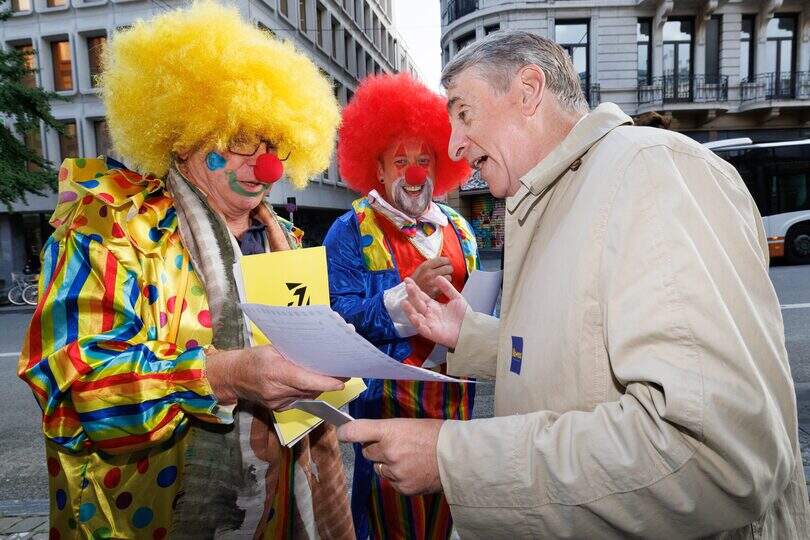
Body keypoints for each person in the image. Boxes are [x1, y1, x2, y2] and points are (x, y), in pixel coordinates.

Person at [338, 30, 810, 538]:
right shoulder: (549, 198)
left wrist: (451, 457)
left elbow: (710, 456)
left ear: (528, 90)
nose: (453, 144)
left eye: (464, 113)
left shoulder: (650, 172)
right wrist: (469, 336)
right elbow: (583, 353)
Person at [18, 3, 354, 538]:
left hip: (272, 512)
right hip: (146, 515)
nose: (264, 166)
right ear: (183, 134)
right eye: (240, 140)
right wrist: (222, 374)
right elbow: (76, 389)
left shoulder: (283, 240)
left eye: (274, 145)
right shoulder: (108, 225)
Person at [323, 73, 477, 539]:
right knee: (390, 521)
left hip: (455, 407)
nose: (415, 173)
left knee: (444, 519)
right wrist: (406, 293)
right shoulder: (351, 231)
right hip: (390, 406)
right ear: (381, 169)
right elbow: (338, 320)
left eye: (424, 160)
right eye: (401, 161)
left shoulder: (459, 228)